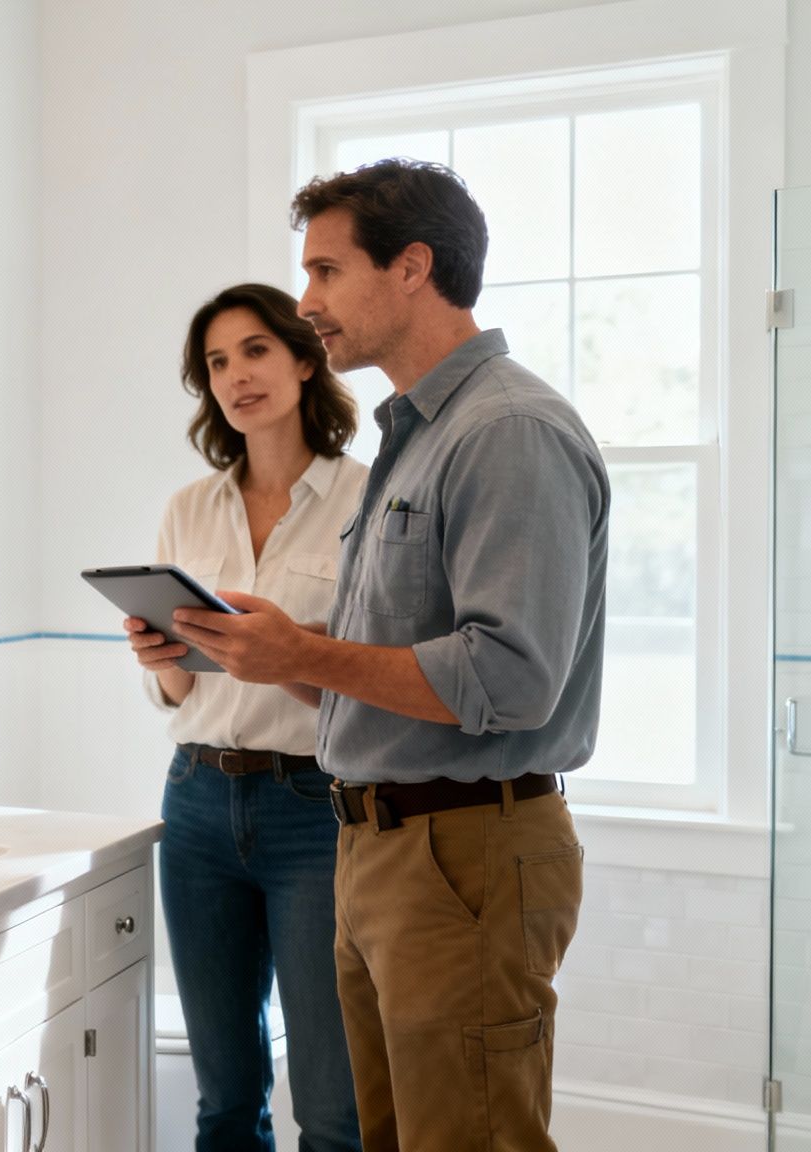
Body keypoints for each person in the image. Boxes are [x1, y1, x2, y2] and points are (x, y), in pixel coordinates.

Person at [171, 159, 605, 1152]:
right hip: (378, 846)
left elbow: (506, 679)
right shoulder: (416, 436)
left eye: (324, 271)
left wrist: (303, 654)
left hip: (459, 854)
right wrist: (263, 652)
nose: (305, 300)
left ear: (410, 268)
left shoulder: (506, 431)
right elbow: (383, 660)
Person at [127, 283, 365, 1152]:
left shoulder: (366, 502)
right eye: (217, 363)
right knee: (224, 1096)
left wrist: (289, 651)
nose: (236, 376)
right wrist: (164, 665)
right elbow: (186, 690)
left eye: (256, 350)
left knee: (334, 1107)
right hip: (195, 802)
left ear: (306, 360)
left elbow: (368, 680)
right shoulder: (189, 509)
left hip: (316, 809)